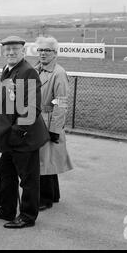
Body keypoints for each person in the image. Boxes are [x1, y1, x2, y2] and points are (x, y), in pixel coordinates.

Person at [0, 36, 49, 229]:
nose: (11, 53)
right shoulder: (8, 70)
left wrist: (16, 133)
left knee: (28, 179)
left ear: (23, 51)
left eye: (15, 49)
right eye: (7, 50)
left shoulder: (27, 71)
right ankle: (7, 209)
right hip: (9, 136)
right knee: (6, 172)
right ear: (3, 52)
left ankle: (28, 216)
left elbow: (31, 110)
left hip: (23, 137)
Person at [34, 36, 73, 211]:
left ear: (55, 53)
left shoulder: (58, 73)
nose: (43, 53)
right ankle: (54, 195)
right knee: (46, 160)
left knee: (45, 161)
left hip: (48, 119)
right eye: (40, 50)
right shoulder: (36, 69)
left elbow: (62, 102)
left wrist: (55, 128)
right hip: (37, 119)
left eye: (47, 50)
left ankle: (45, 198)